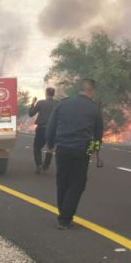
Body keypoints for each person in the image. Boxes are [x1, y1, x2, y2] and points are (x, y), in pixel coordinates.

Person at [46, 78, 103, 230]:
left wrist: (50, 145)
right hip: (81, 150)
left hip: (62, 149)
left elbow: (51, 127)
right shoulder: (94, 108)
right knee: (77, 183)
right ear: (91, 91)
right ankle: (65, 218)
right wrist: (94, 150)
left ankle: (63, 212)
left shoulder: (62, 104)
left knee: (62, 181)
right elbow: (98, 135)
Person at [29, 87, 59, 173]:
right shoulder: (58, 103)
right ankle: (45, 166)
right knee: (50, 148)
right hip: (53, 130)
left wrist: (33, 103)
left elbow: (31, 114)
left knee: (37, 147)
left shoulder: (41, 103)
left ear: (46, 93)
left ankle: (39, 164)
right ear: (53, 94)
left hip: (41, 128)